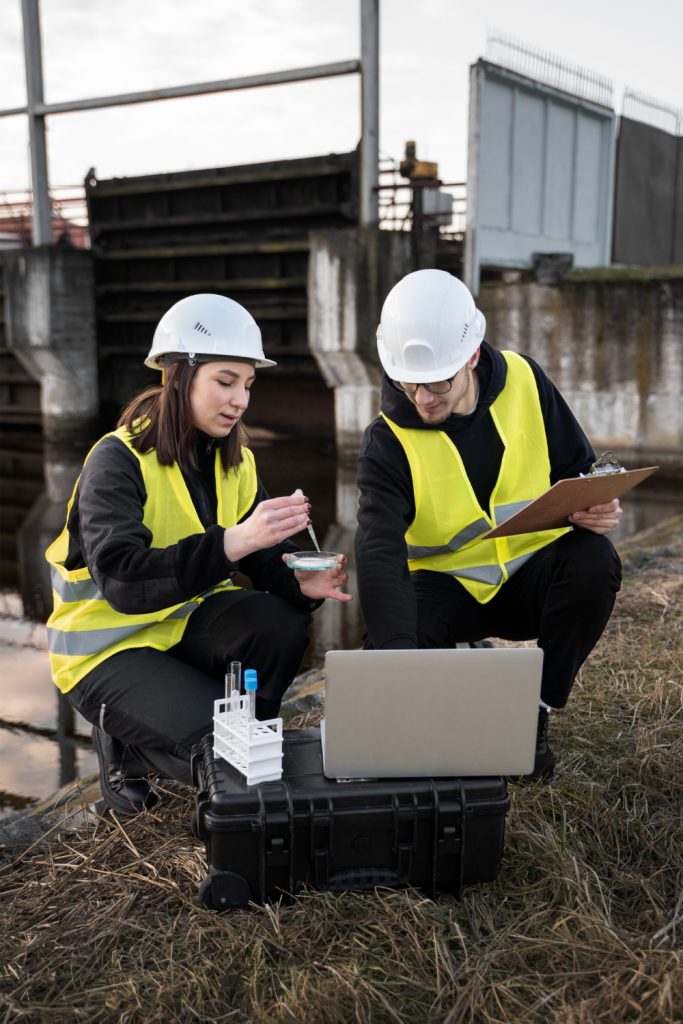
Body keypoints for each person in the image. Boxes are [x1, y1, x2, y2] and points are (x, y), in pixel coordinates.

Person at [46, 293, 351, 815]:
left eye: (248, 385)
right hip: (104, 652)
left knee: (278, 622)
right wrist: (235, 540)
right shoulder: (115, 461)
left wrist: (296, 580)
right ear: (177, 376)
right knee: (225, 750)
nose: (240, 401)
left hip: (180, 628)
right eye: (225, 381)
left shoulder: (237, 460)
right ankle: (128, 752)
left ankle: (238, 757)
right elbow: (122, 580)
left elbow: (262, 554)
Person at [355, 270, 623, 781]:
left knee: (594, 562)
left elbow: (578, 471)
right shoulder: (385, 444)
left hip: (530, 579)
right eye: (407, 382)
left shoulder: (525, 380)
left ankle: (533, 717)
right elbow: (379, 555)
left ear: (472, 356)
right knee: (391, 639)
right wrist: (394, 670)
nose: (423, 399)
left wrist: (597, 507)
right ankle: (427, 731)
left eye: (438, 382)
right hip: (446, 590)